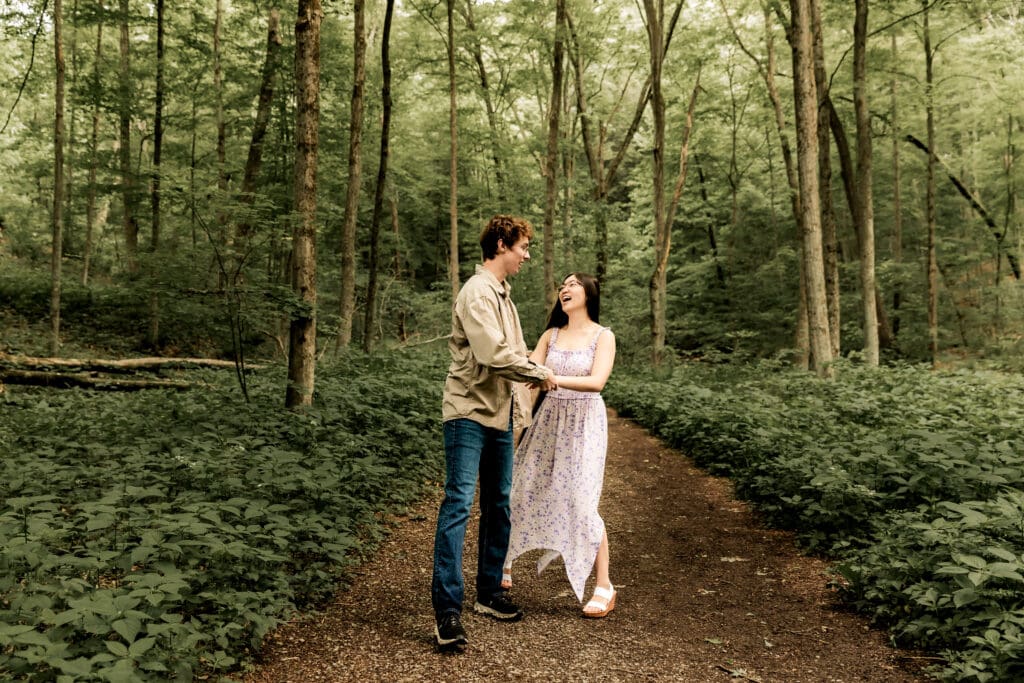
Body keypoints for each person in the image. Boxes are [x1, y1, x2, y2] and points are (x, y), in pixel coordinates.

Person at [432, 215, 558, 652]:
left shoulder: (505, 296)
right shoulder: (477, 292)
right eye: (523, 246)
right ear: (502, 244)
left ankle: (489, 592)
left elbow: (515, 351)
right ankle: (448, 611)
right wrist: (539, 372)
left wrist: (528, 384)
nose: (526, 254)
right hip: (467, 412)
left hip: (501, 415)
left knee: (499, 503)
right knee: (459, 504)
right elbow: (492, 354)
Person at [503, 272, 617, 618]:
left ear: (588, 293)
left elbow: (596, 382)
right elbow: (528, 374)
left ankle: (604, 586)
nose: (564, 289)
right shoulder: (550, 335)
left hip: (585, 424)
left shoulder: (603, 336)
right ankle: (503, 563)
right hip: (549, 419)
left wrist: (549, 377)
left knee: (581, 500)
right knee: (521, 490)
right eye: (562, 286)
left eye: (573, 284)